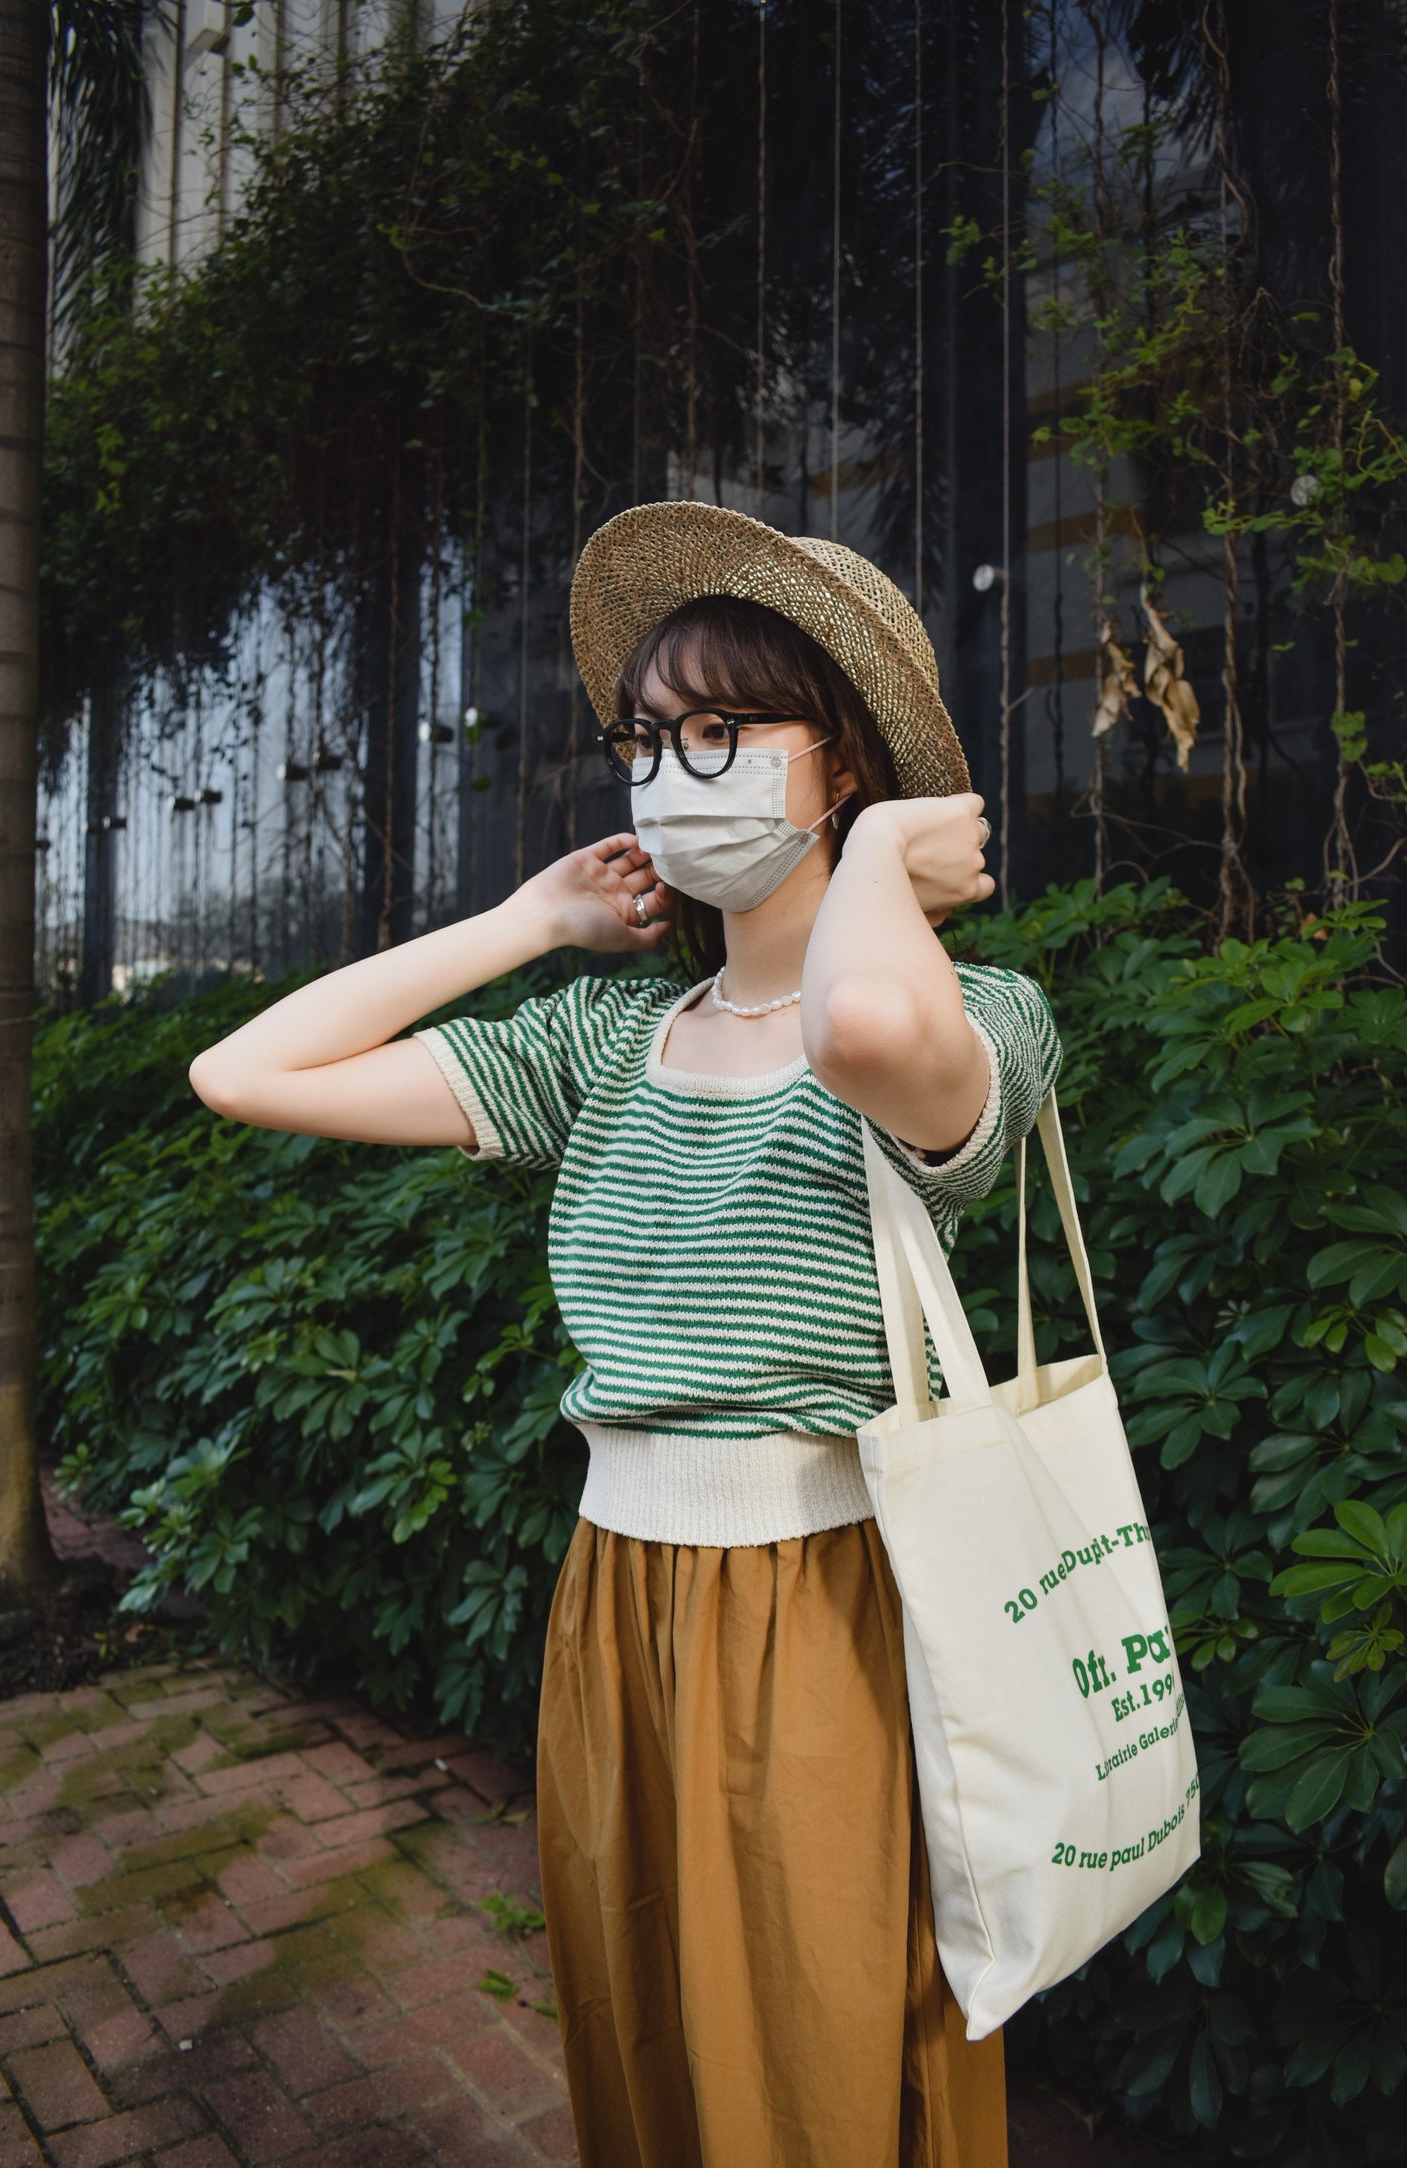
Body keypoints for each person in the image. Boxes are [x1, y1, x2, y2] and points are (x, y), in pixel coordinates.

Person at [189, 500, 1063, 2168]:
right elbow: (247, 1075)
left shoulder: (985, 1014)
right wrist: (527, 923)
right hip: (618, 1594)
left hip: (830, 1606)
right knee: (642, 2023)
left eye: (724, 732)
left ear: (846, 766)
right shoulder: (606, 1040)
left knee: (809, 2058)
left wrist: (877, 867)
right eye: (648, 741)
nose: (672, 777)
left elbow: (871, 1027)